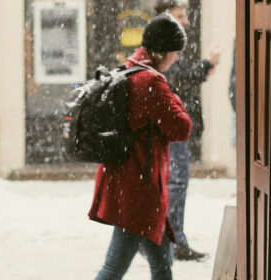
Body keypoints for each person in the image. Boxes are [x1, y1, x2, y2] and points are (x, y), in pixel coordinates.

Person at [88, 13, 192, 280]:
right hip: (138, 191)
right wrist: (176, 98)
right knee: (113, 269)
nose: (177, 58)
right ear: (161, 51)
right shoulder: (150, 82)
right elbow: (181, 128)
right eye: (175, 52)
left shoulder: (129, 69)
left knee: (162, 267)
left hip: (132, 184)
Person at [154, 0, 222, 261]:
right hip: (170, 126)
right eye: (181, 16)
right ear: (167, 17)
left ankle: (169, 240)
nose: (186, 21)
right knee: (176, 182)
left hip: (173, 124)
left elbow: (180, 80)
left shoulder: (168, 43)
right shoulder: (164, 44)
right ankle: (174, 240)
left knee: (174, 182)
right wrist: (207, 64)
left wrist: (204, 69)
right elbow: (177, 80)